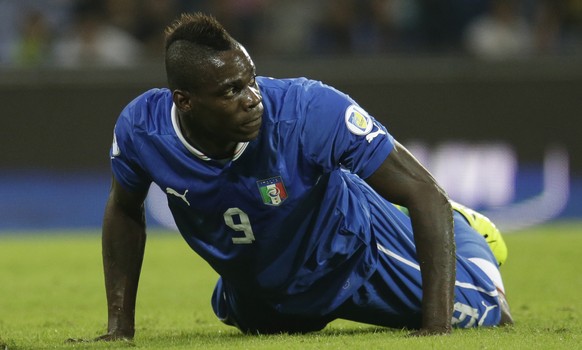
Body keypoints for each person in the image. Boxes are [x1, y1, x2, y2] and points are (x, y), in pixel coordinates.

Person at [91, 12, 513, 341]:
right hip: (261, 291)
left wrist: (435, 330)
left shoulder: (308, 110)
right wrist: (119, 328)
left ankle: (470, 234)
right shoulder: (142, 130)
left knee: (485, 312)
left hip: (355, 255)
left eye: (252, 80)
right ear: (184, 101)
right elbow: (124, 210)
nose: (253, 99)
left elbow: (425, 192)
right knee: (253, 322)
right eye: (231, 91)